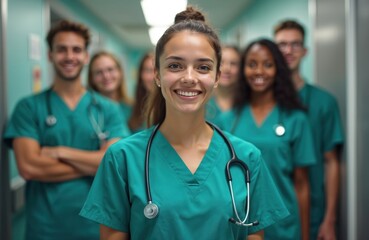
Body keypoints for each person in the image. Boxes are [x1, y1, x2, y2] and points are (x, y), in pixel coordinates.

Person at [80, 7, 289, 240]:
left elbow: (254, 235)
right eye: (175, 65)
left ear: (217, 77)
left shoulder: (247, 158)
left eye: (203, 67)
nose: (189, 78)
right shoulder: (122, 158)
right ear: (157, 75)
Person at [3, 20, 128, 240]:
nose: (69, 56)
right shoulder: (29, 107)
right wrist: (95, 164)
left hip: (96, 227)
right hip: (46, 228)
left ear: (86, 56)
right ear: (50, 55)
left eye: (77, 50)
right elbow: (30, 167)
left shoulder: (107, 109)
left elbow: (113, 165)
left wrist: (59, 152)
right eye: (61, 49)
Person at [217, 39, 317, 240]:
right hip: (241, 224)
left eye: (268, 64)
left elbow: (302, 184)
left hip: (284, 225)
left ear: (278, 69)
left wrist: (305, 236)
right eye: (252, 64)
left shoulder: (295, 119)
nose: (259, 71)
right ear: (243, 70)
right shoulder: (227, 121)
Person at [274, 20, 344, 240]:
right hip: (270, 212)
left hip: (313, 213)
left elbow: (331, 161)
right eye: (282, 44)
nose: (288, 50)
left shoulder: (324, 102)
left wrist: (329, 220)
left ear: (305, 51)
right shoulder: (262, 104)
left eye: (295, 44)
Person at [88, 51, 132, 132]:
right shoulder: (88, 110)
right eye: (99, 72)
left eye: (110, 69)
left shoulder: (133, 109)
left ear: (120, 72)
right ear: (92, 78)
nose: (106, 76)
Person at [206, 44, 240, 122]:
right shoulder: (202, 102)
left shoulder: (247, 105)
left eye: (233, 63)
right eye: (221, 63)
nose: (227, 69)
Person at [127, 52, 155, 133]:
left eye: (157, 70)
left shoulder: (174, 111)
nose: (154, 77)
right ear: (141, 75)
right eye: (148, 71)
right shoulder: (130, 109)